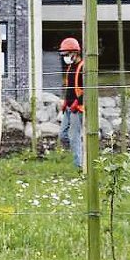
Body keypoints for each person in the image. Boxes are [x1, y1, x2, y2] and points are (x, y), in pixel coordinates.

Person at [58, 36, 85, 170]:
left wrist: (77, 102)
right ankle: (79, 152)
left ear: (75, 53)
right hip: (69, 107)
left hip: (77, 108)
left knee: (74, 137)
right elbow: (69, 88)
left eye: (67, 54)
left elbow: (87, 89)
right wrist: (65, 102)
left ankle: (79, 165)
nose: (65, 57)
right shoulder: (70, 67)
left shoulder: (83, 67)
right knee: (63, 135)